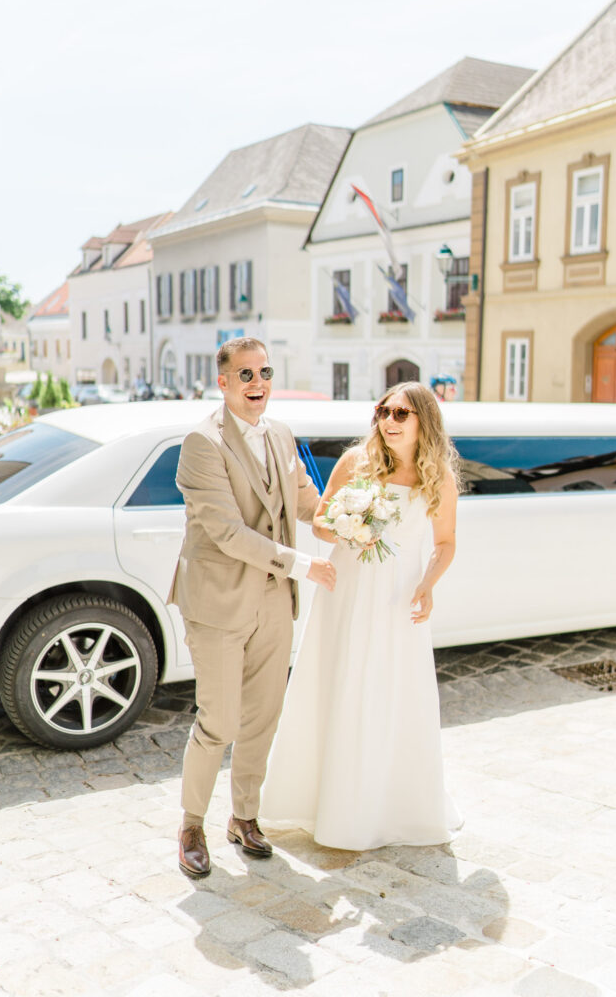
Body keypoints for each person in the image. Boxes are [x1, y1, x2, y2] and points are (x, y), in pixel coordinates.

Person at [261, 382, 463, 850]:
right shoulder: (356, 462)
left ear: (423, 423)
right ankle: (320, 804)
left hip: (398, 603)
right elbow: (320, 522)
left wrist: (428, 584)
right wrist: (349, 527)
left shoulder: (439, 479)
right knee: (338, 685)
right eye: (383, 411)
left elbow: (446, 543)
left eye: (401, 414)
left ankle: (384, 807)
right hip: (347, 592)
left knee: (390, 694)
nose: (389, 421)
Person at [170, 337, 337, 877]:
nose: (257, 383)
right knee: (218, 720)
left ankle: (244, 817)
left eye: (264, 372)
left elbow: (304, 497)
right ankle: (192, 824)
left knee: (263, 716)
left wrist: (345, 519)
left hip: (271, 600)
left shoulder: (282, 434)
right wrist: (303, 564)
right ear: (223, 382)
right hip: (219, 601)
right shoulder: (201, 443)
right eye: (245, 374)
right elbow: (224, 530)